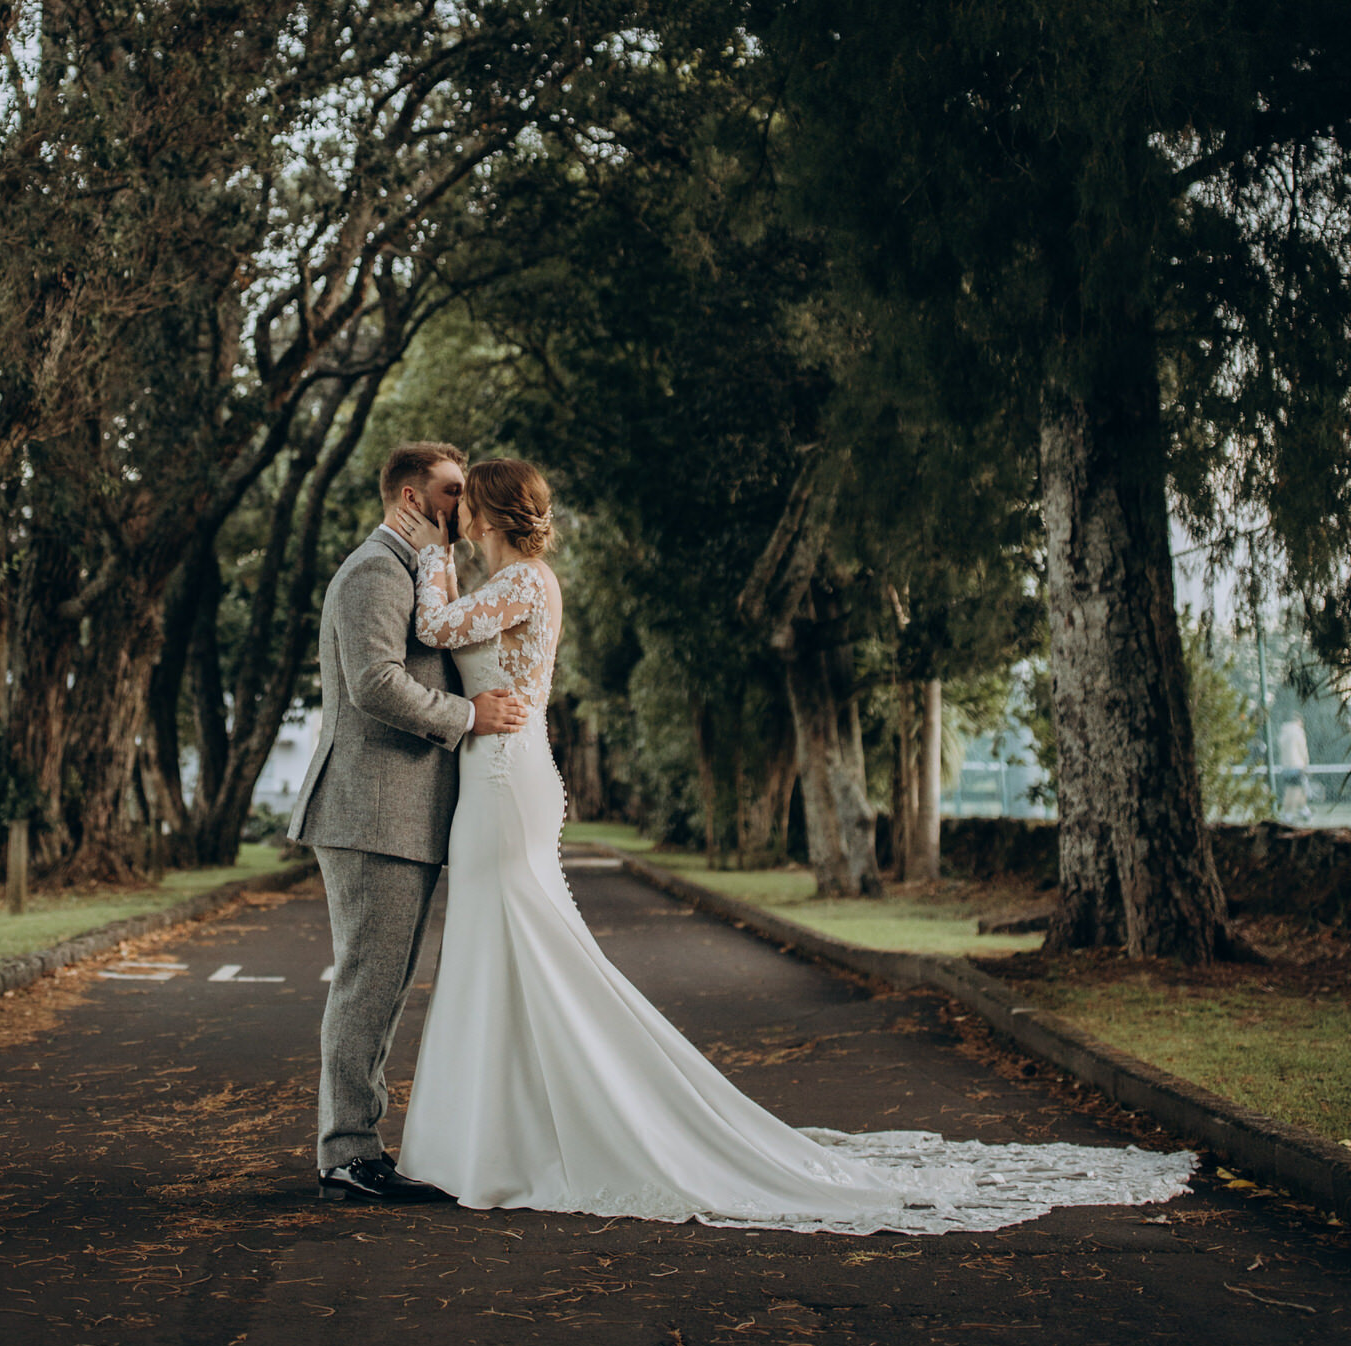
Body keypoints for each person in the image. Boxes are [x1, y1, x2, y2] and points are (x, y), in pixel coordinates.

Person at [394, 454, 1195, 1234]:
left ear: (490, 512)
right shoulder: (506, 581)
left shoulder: (526, 581)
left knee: (520, 940)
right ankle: (501, 1133)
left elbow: (434, 624)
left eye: (462, 500)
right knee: (499, 943)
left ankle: (531, 1135)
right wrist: (445, 559)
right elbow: (459, 633)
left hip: (503, 776)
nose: (449, 510)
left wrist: (428, 553)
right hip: (495, 770)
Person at [286, 440, 528, 1203]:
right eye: (454, 491)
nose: (467, 504)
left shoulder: (415, 569)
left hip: (402, 815)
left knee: (383, 986)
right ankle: (347, 1155)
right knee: (368, 983)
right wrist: (470, 715)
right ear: (413, 498)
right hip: (370, 811)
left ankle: (358, 1147)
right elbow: (374, 684)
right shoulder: (371, 572)